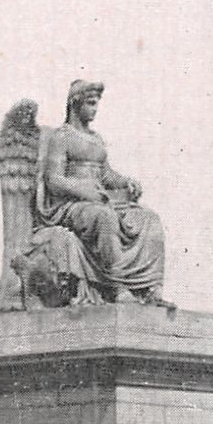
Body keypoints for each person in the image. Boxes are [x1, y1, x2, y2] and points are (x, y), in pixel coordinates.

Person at [37, 80, 168, 305]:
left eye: (97, 104)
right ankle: (118, 287)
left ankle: (150, 288)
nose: (95, 109)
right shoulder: (62, 137)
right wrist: (83, 191)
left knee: (149, 219)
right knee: (104, 218)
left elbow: (106, 175)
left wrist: (126, 182)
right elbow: (53, 179)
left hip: (100, 201)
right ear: (75, 103)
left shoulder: (96, 139)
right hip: (71, 206)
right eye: (90, 103)